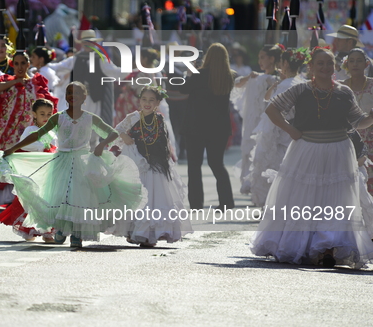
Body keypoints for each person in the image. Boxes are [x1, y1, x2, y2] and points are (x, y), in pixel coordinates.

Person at [250, 47, 373, 268]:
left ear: (335, 67)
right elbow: (272, 110)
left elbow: (358, 122)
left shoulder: (345, 92)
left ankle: (327, 246)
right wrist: (291, 130)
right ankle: (304, 245)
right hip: (306, 150)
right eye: (321, 64)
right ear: (311, 67)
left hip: (339, 150)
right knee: (304, 198)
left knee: (335, 200)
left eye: (329, 64)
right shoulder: (300, 90)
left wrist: (371, 117)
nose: (326, 68)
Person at [0, 82, 145, 248]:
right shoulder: (58, 117)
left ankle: (77, 234)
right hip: (61, 161)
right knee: (60, 196)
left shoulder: (90, 118)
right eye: (69, 92)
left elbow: (112, 132)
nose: (72, 96)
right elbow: (38, 134)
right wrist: (13, 148)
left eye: (77, 93)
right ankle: (61, 229)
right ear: (65, 96)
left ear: (84, 97)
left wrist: (100, 145)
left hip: (83, 162)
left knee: (80, 196)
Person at [109, 86, 193, 246]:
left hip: (156, 164)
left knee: (155, 198)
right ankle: (134, 231)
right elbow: (117, 129)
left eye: (151, 100)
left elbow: (164, 141)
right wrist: (124, 135)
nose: (147, 103)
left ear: (158, 103)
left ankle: (150, 234)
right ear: (139, 101)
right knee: (138, 197)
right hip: (137, 161)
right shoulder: (133, 117)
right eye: (144, 100)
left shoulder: (160, 119)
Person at [0, 51, 58, 207]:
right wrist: (16, 81)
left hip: (29, 131)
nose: (20, 67)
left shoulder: (36, 82)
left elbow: (47, 104)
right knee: (7, 160)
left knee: (24, 161)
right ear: (12, 65)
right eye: (17, 63)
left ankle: (20, 198)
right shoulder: (7, 81)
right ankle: (3, 198)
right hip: (7, 131)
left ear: (28, 64)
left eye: (23, 63)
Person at [178, 43, 235, 210]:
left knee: (194, 166)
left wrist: (189, 74)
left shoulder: (199, 74)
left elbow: (183, 90)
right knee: (217, 164)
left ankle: (196, 203)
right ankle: (227, 202)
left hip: (195, 127)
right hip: (219, 128)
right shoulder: (229, 76)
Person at [247, 48, 307, 207]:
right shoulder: (301, 82)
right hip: (294, 134)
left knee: (275, 173)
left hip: (281, 135)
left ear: (285, 63)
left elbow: (271, 114)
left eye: (281, 63)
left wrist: (265, 144)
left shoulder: (287, 84)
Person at [0, 98, 58, 242]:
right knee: (34, 199)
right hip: (34, 169)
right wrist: (42, 147)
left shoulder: (53, 131)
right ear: (34, 114)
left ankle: (48, 232)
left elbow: (57, 146)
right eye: (42, 114)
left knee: (49, 199)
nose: (46, 117)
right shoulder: (30, 130)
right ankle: (30, 230)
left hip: (49, 171)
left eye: (49, 114)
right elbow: (25, 145)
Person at [232, 44, 282, 194]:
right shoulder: (256, 77)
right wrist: (249, 77)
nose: (260, 61)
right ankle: (253, 186)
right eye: (259, 57)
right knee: (249, 151)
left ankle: (264, 190)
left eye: (262, 57)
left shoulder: (275, 79)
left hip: (267, 121)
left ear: (272, 59)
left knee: (264, 154)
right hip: (252, 121)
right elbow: (237, 84)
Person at [341, 48, 373, 194]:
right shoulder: (340, 86)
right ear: (347, 64)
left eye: (359, 61)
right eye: (351, 61)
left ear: (366, 64)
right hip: (347, 142)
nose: (355, 64)